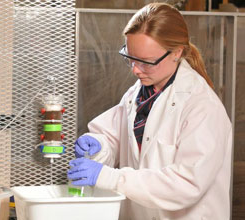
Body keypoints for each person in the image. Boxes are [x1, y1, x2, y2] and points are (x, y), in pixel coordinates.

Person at [67, 3, 232, 220]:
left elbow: (187, 183)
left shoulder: (202, 106)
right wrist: (99, 145)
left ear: (177, 52)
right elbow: (116, 138)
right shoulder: (138, 94)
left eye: (145, 62)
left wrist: (110, 178)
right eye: (130, 58)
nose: (135, 70)